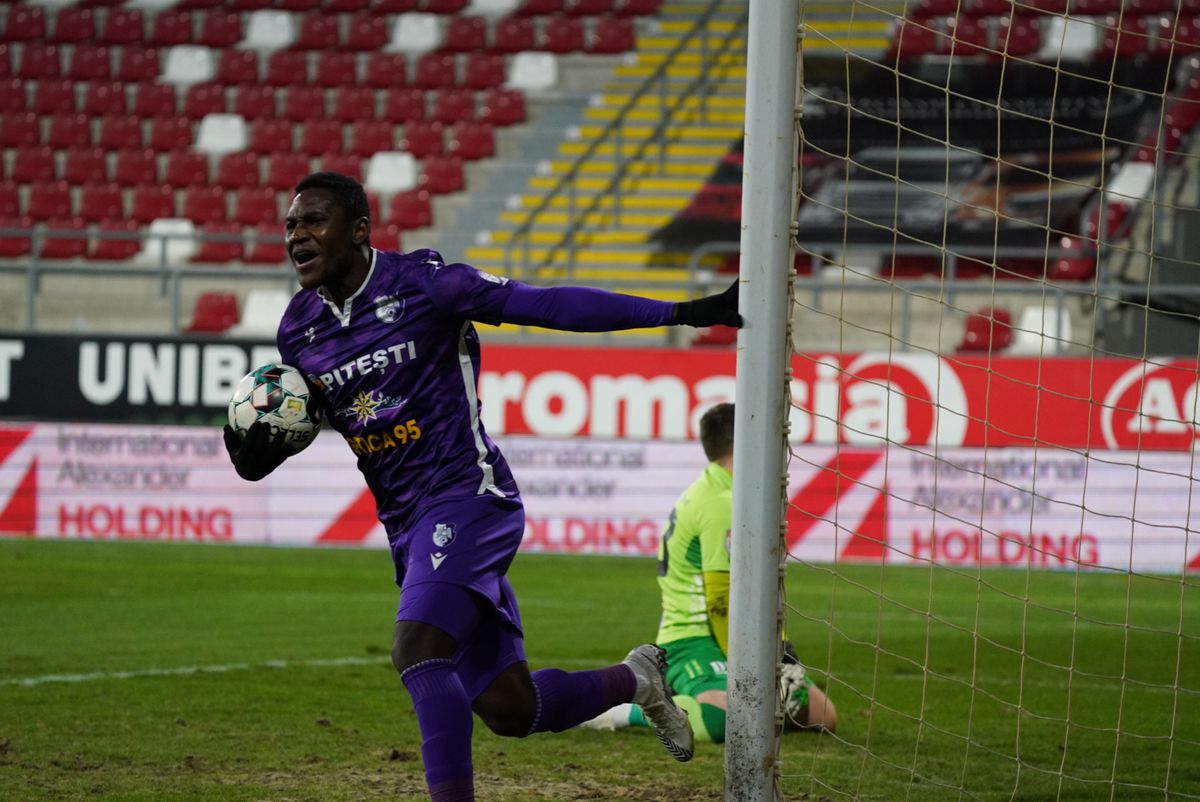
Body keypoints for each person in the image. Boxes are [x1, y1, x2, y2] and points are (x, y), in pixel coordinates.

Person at [221, 172, 743, 801]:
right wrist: (259, 457)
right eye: (291, 225)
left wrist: (685, 313)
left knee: (417, 648)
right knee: (509, 708)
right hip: (408, 527)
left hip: (471, 498)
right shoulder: (299, 331)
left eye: (314, 221)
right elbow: (315, 418)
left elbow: (551, 306)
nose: (297, 235)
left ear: (359, 230)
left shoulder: (428, 285)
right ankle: (638, 680)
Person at [583, 402, 836, 743]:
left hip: (729, 634)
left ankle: (678, 687)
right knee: (727, 721)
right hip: (694, 639)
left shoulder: (731, 493)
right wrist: (759, 662)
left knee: (822, 716)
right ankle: (626, 709)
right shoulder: (721, 502)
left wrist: (784, 649)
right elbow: (720, 600)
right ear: (748, 442)